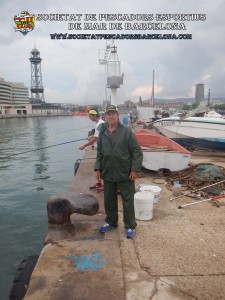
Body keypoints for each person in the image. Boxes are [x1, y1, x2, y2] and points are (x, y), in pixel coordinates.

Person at [94, 105, 143, 239]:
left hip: (125, 172)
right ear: (105, 116)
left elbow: (137, 152)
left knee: (128, 200)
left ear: (118, 115)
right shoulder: (103, 132)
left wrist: (134, 169)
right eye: (108, 114)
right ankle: (111, 222)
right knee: (109, 200)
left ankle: (130, 226)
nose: (111, 116)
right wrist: (98, 168)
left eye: (113, 113)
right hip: (108, 172)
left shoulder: (126, 131)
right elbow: (99, 152)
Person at [79, 109, 104, 190]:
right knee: (98, 166)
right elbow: (98, 136)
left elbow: (95, 139)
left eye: (90, 116)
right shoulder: (100, 123)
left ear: (94, 115)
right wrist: (91, 136)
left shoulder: (100, 124)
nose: (89, 118)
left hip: (103, 149)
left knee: (100, 166)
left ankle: (102, 184)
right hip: (100, 148)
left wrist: (84, 146)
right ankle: (99, 183)